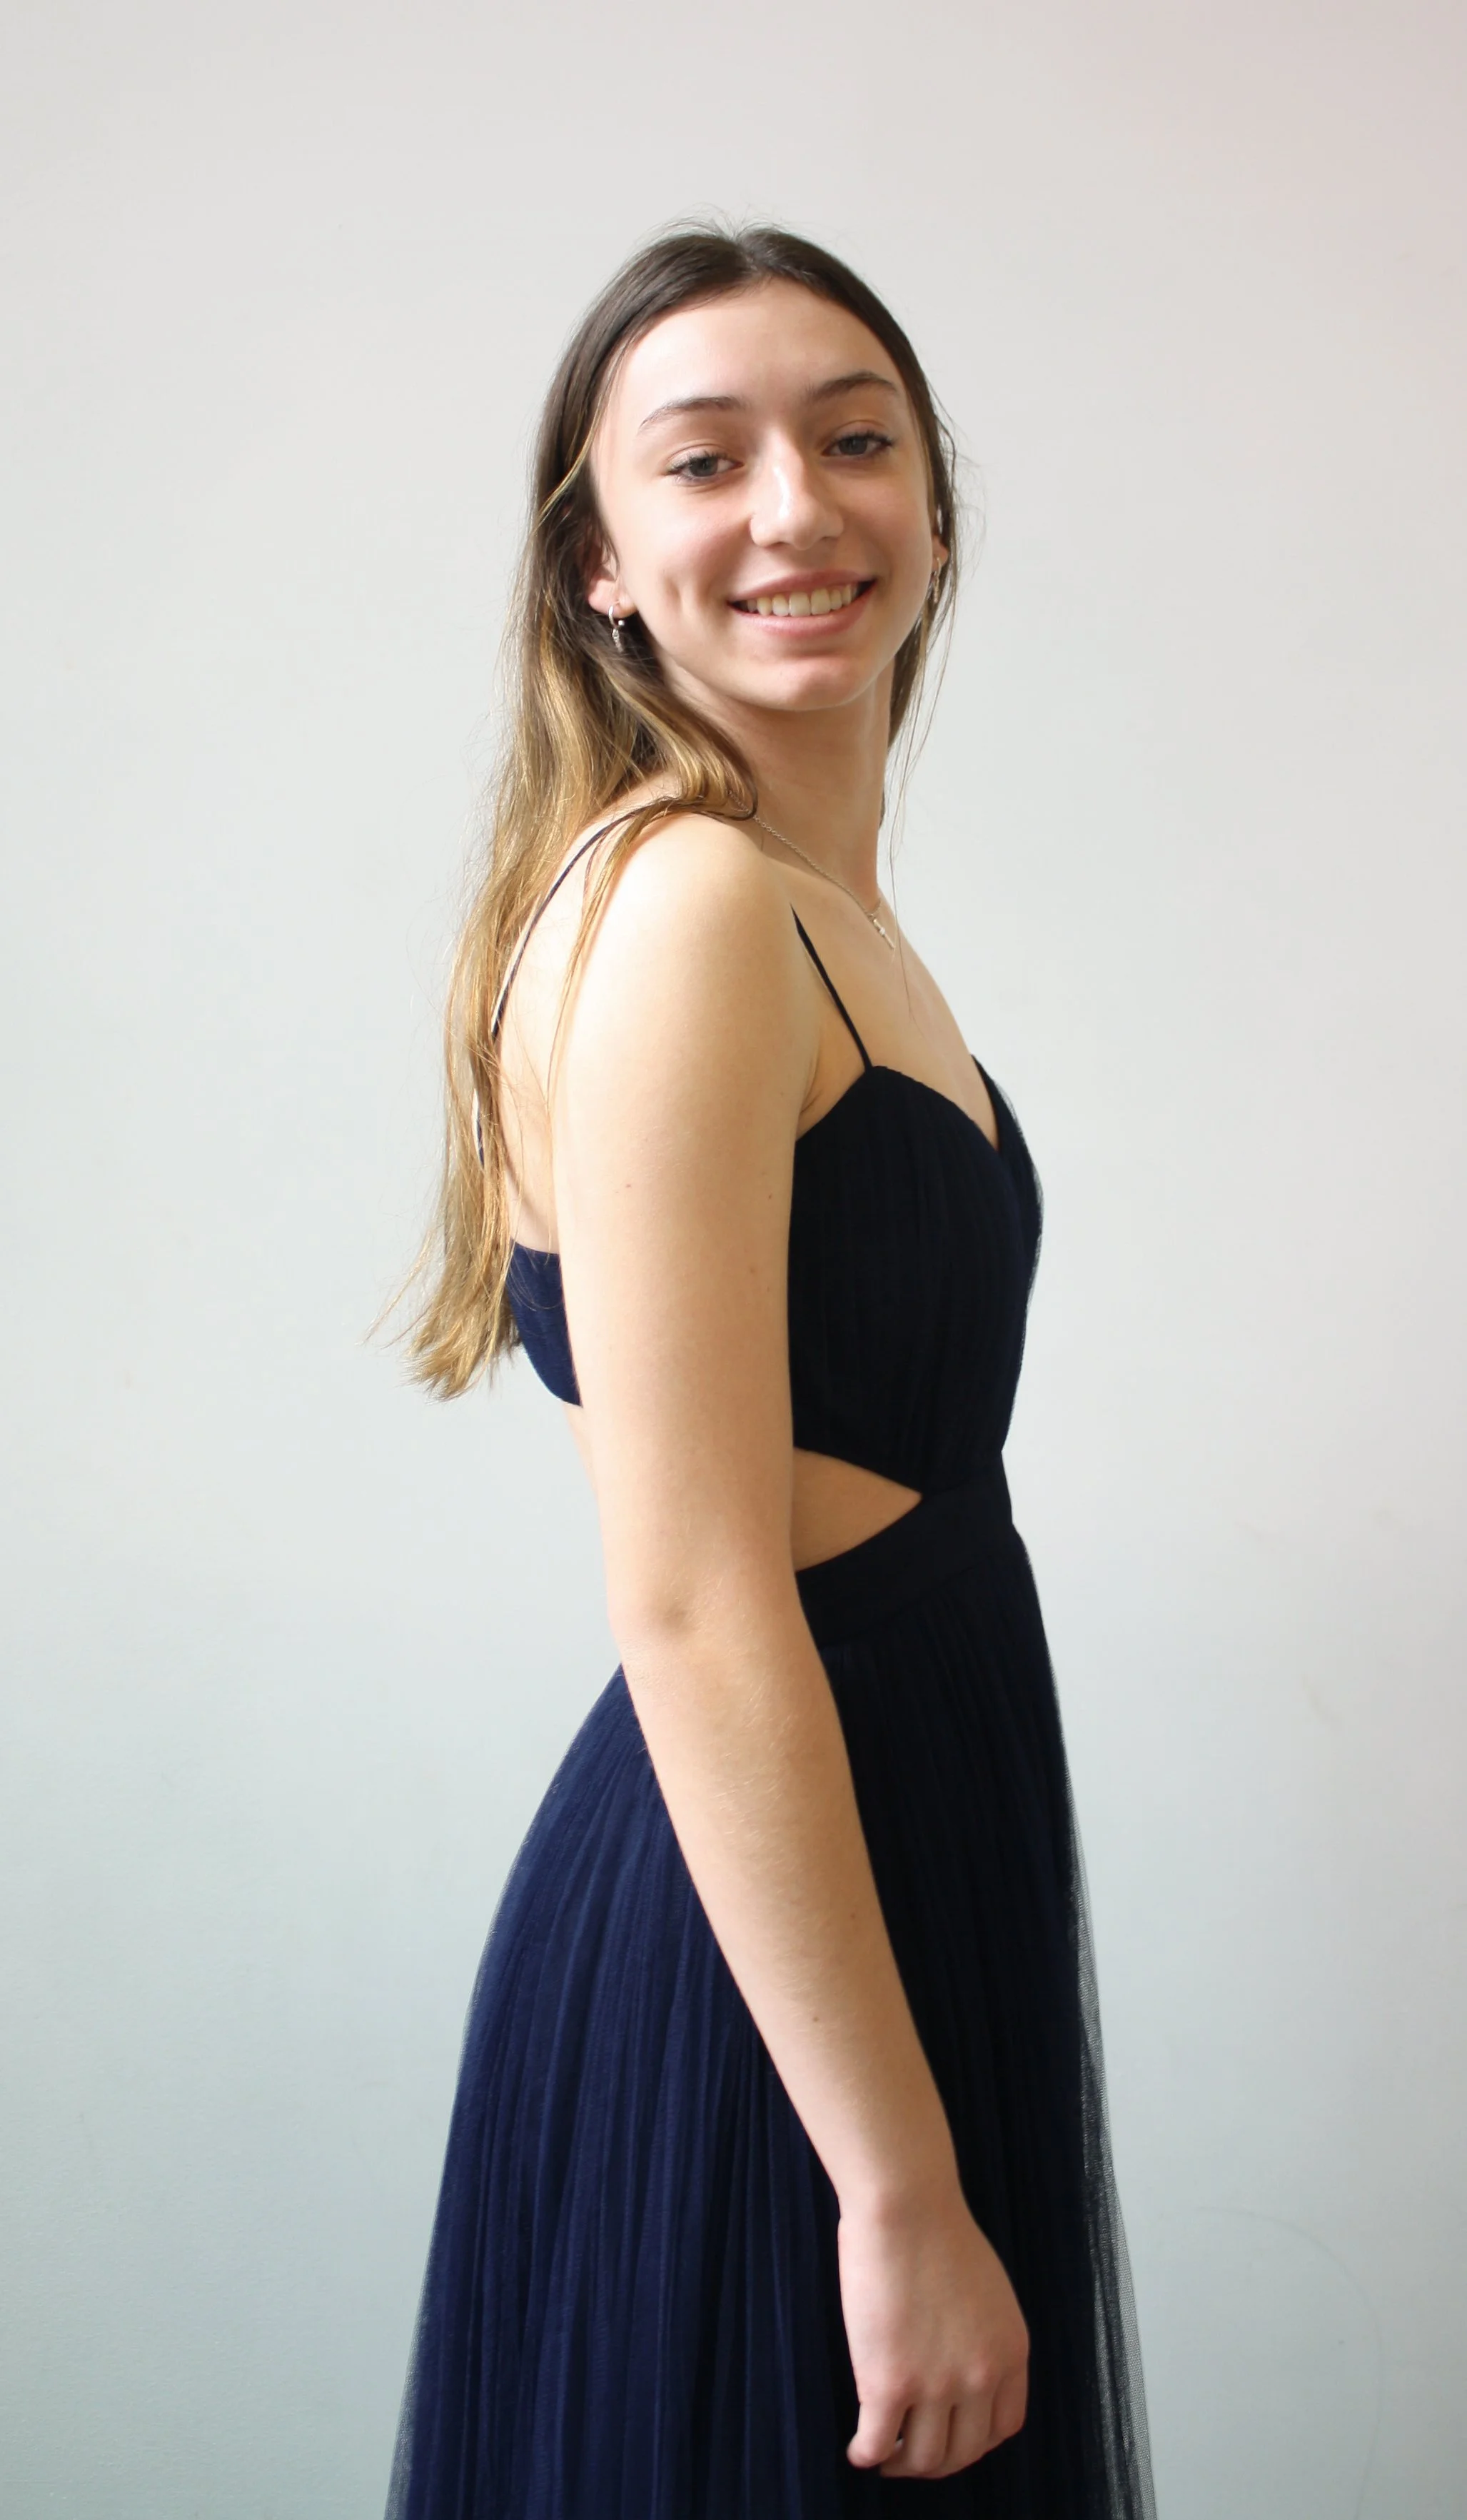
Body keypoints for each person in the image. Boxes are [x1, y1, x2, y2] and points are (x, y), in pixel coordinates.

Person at [385, 224, 1154, 2517]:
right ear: (598, 566)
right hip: (773, 1968)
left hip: (894, 1855)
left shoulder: (824, 909)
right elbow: (697, 1598)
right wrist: (890, 2190)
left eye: (853, 440)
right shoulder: (694, 908)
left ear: (933, 508)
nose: (795, 508)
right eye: (703, 461)